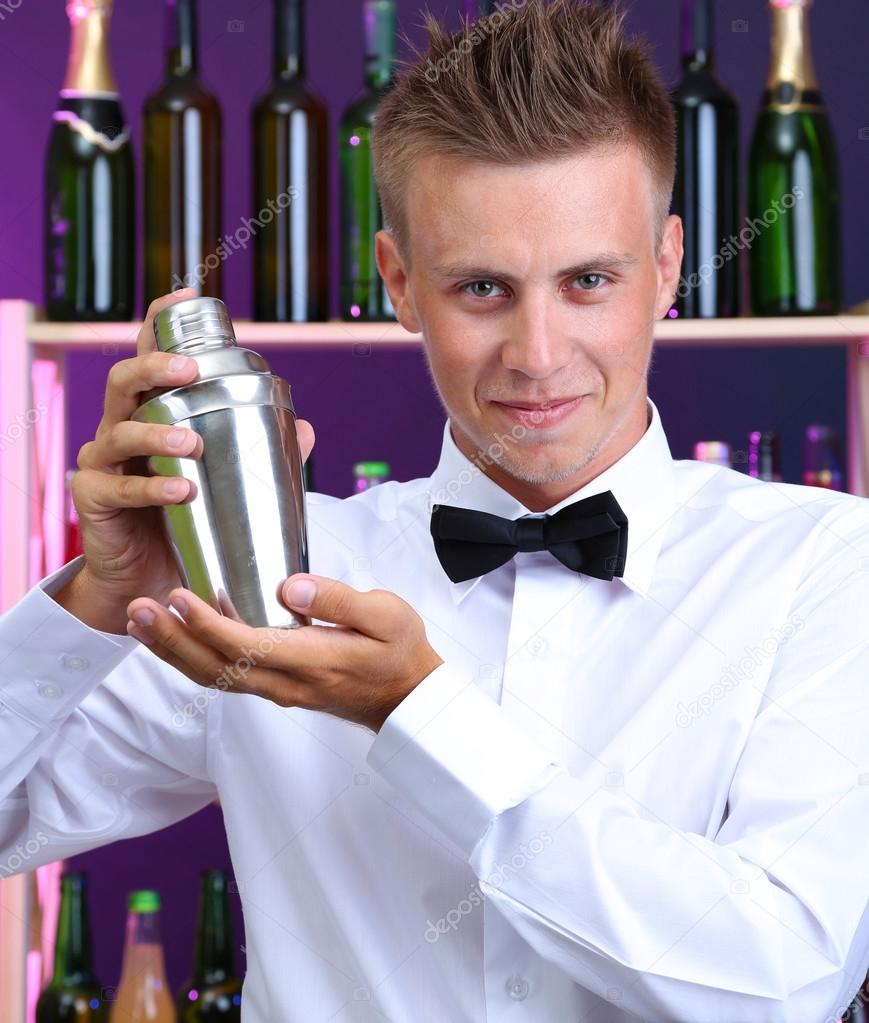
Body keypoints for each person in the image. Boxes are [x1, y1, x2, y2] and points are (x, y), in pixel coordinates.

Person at [1, 1, 868, 1019]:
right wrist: (97, 602)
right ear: (399, 283)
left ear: (667, 269)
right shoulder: (272, 579)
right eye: (480, 289)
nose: (537, 353)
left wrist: (415, 715)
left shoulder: (826, 564)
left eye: (588, 280)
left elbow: (784, 980)